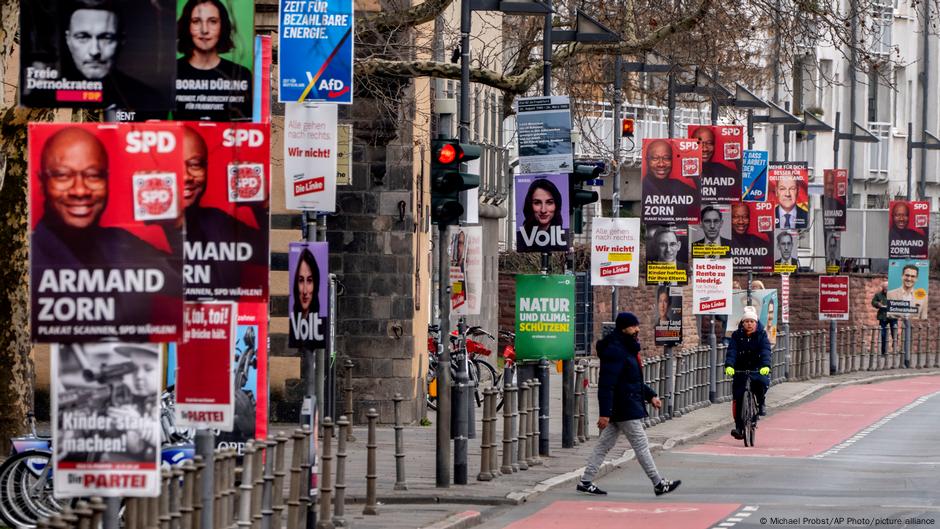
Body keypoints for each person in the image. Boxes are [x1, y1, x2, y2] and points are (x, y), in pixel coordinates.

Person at [32, 127, 172, 267]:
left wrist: (172, 223)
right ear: (41, 183)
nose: (80, 191)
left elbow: (181, 277)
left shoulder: (119, 241)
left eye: (93, 175)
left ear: (107, 180)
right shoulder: (28, 257)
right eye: (63, 175)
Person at [577, 312, 681, 496]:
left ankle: (585, 480)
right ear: (624, 328)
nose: (637, 329)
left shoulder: (626, 348)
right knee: (641, 445)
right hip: (624, 406)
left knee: (603, 445)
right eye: (633, 326)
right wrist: (604, 413)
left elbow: (631, 380)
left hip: (623, 404)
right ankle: (658, 483)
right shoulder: (617, 350)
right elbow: (607, 384)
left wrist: (650, 396)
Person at [175, 125, 268, 292]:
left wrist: (263, 204)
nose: (186, 176)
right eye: (174, 164)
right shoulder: (129, 238)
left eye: (195, 165)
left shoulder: (218, 222)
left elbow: (268, 254)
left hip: (223, 316)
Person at [61, 0, 164, 113]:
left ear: (121, 41)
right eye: (83, 37)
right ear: (68, 40)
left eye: (106, 38)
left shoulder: (148, 99)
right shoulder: (45, 96)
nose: (95, 51)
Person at [176, 0, 253, 121]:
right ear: (187, 26)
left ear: (222, 26)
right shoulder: (171, 73)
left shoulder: (242, 75)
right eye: (196, 21)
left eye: (213, 21)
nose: (204, 30)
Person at [724, 305, 772, 439]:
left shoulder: (761, 335)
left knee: (761, 383)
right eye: (746, 322)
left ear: (756, 323)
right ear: (742, 323)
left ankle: (761, 403)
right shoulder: (736, 335)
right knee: (738, 397)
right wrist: (729, 365)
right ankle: (739, 427)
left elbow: (765, 351)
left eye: (752, 322)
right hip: (740, 368)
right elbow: (732, 351)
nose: (749, 324)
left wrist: (766, 365)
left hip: (757, 367)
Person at [871, 279, 897, 354]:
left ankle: (895, 349)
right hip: (883, 316)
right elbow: (873, 302)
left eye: (887, 288)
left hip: (893, 316)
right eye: (884, 288)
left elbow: (899, 302)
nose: (885, 290)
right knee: (883, 335)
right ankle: (883, 351)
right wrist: (877, 304)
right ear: (882, 288)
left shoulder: (894, 294)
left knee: (894, 334)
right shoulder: (878, 295)